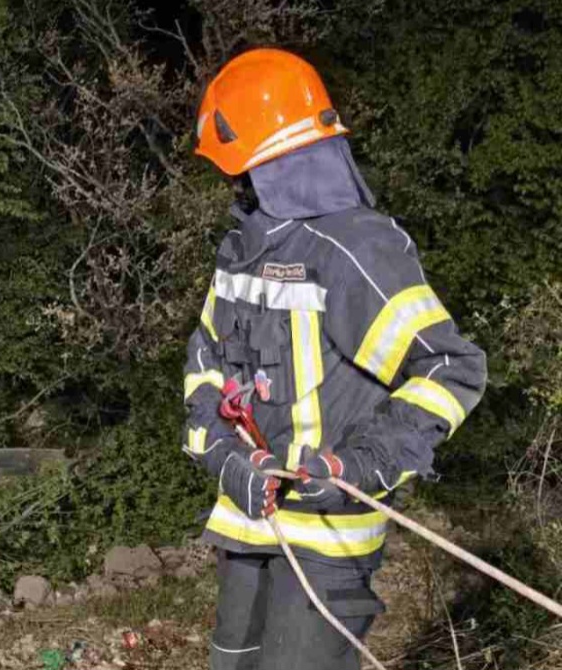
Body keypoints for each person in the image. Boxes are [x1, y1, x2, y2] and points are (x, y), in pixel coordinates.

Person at [183, 48, 487, 670]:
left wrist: (358, 464)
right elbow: (204, 364)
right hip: (248, 524)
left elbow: (449, 368)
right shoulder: (242, 248)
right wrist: (223, 455)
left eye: (237, 166)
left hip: (327, 538)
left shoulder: (353, 249)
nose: (232, 183)